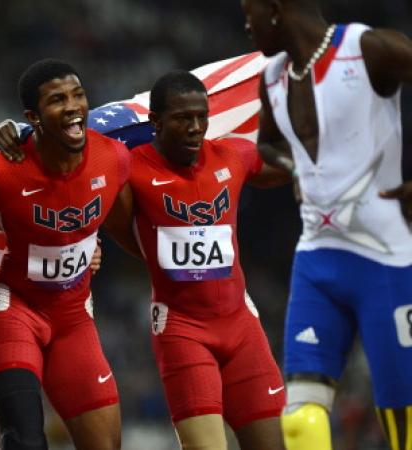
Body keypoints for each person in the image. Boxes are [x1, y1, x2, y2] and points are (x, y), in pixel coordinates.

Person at [240, 1, 412, 449]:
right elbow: (266, 145)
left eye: (249, 12)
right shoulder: (274, 78)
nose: (246, 25)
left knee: (404, 420)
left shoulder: (369, 48)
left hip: (388, 263)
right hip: (317, 259)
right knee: (300, 419)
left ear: (275, 10)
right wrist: (298, 169)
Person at [117, 70, 290, 450]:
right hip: (183, 330)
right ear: (155, 122)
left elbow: (287, 168)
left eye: (201, 117)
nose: (195, 128)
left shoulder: (232, 154)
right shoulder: (129, 167)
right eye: (182, 119)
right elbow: (94, 208)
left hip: (241, 327)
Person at [0, 59, 132, 450]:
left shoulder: (114, 158)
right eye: (58, 100)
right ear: (33, 117)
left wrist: (90, 244)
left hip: (73, 316)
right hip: (14, 306)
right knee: (25, 441)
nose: (73, 105)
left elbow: (124, 227)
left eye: (78, 95)